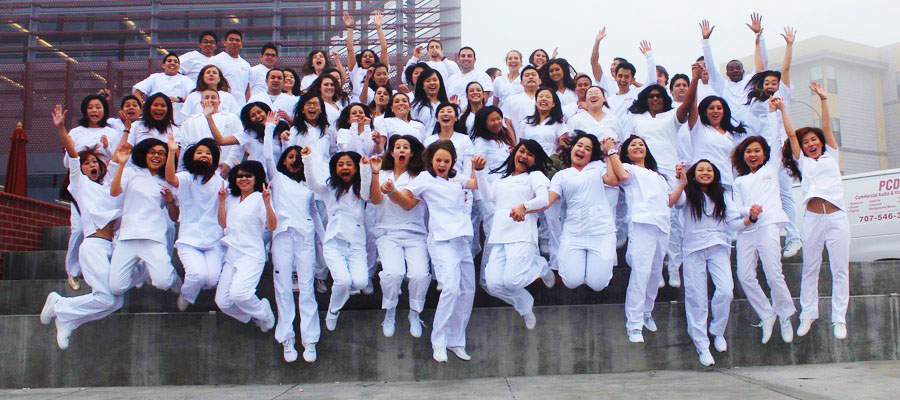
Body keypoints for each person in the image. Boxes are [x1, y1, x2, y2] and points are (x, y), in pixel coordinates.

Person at [382, 140, 488, 363]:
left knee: (467, 292)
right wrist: (392, 190)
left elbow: (476, 184)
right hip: (441, 242)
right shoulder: (424, 179)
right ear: (431, 160)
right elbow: (406, 201)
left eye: (446, 161)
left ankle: (456, 340)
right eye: (438, 160)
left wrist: (478, 169)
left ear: (452, 163)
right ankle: (438, 341)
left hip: (462, 241)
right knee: (450, 289)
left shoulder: (457, 178)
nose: (442, 164)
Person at [42, 105, 124, 350]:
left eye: (95, 162)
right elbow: (73, 154)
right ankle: (59, 305)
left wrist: (127, 131)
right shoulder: (79, 185)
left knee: (115, 302)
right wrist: (61, 129)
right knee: (106, 297)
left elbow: (119, 160)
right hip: (93, 246)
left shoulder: (108, 187)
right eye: (87, 163)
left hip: (112, 246)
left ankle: (68, 319)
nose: (91, 165)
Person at [780, 83, 850, 340]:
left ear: (821, 143)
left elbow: (827, 125)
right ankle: (808, 315)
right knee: (811, 267)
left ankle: (838, 319)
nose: (810, 144)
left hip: (836, 218)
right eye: (806, 142)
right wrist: (782, 109)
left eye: (814, 140)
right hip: (812, 218)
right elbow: (790, 134)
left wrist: (823, 98)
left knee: (840, 269)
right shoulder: (803, 161)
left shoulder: (831, 154)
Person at [669, 159, 744, 366]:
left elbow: (735, 222)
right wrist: (681, 181)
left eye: (709, 170)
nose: (705, 172)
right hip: (693, 249)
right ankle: (702, 345)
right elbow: (676, 202)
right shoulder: (688, 194)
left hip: (719, 247)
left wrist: (751, 219)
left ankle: (717, 331)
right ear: (694, 174)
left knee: (726, 290)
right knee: (696, 297)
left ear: (715, 174)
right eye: (700, 170)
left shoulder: (723, 196)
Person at [261, 112, 320, 363]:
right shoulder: (278, 179)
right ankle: (287, 338)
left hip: (305, 238)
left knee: (306, 288)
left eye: (298, 158)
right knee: (283, 288)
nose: (293, 161)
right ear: (284, 161)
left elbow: (315, 216)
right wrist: (269, 128)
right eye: (290, 157)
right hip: (282, 237)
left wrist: (324, 241)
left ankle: (310, 340)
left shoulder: (309, 185)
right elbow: (266, 156)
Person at [732, 118, 795, 345]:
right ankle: (767, 315)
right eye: (748, 151)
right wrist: (749, 211)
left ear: (765, 154)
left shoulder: (771, 169)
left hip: (769, 226)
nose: (752, 155)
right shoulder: (739, 181)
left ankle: (785, 315)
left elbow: (776, 139)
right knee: (744, 275)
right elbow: (735, 208)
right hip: (748, 229)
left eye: (757, 151)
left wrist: (774, 114)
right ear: (743, 155)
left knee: (773, 273)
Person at [480, 139, 554, 329]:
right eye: (522, 151)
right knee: (494, 285)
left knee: (513, 280)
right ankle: (525, 306)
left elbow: (544, 199)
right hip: (500, 235)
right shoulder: (501, 179)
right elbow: (487, 196)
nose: (524, 156)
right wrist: (479, 171)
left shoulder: (535, 176)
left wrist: (525, 205)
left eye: (530, 154)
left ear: (534, 160)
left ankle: (541, 266)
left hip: (522, 234)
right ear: (514, 154)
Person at [743, 25, 801, 259]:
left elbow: (785, 69)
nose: (770, 85)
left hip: (781, 152)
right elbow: (759, 68)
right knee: (759, 194)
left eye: (773, 83)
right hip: (760, 156)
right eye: (766, 82)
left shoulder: (782, 96)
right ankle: (763, 236)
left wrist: (789, 45)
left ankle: (794, 237)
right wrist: (757, 41)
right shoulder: (756, 103)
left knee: (784, 194)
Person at [614, 135, 678, 344]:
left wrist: (683, 181)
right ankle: (633, 324)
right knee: (640, 273)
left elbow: (669, 201)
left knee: (655, 272)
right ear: (626, 152)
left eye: (641, 144)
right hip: (642, 224)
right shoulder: (629, 169)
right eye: (633, 145)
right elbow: (621, 176)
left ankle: (646, 312)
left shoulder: (658, 175)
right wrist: (610, 151)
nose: (638, 147)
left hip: (662, 225)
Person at [302, 147, 373, 332]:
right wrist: (307, 158)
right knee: (342, 281)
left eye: (349, 164)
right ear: (335, 169)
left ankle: (342, 295)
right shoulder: (329, 190)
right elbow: (312, 183)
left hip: (356, 244)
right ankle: (333, 310)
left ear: (355, 168)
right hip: (334, 244)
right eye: (340, 164)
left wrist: (366, 169)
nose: (345, 167)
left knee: (360, 283)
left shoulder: (360, 192)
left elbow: (366, 191)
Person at [368, 135, 430, 338]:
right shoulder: (382, 172)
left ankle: (415, 312)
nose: (401, 150)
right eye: (397, 147)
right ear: (392, 152)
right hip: (387, 233)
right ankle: (390, 311)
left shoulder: (420, 177)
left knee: (420, 275)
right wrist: (376, 174)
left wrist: (393, 190)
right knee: (393, 274)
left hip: (415, 233)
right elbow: (376, 200)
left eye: (406, 147)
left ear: (412, 153)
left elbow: (408, 204)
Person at [544, 133, 621, 292]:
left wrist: (609, 154)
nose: (582, 150)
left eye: (588, 149)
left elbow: (613, 181)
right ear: (572, 148)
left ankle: (595, 268)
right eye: (579, 145)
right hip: (574, 233)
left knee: (598, 285)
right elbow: (549, 199)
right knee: (571, 281)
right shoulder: (561, 175)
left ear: (591, 155)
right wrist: (526, 206)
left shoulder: (598, 167)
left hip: (601, 232)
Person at [108, 137, 182, 298]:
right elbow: (114, 192)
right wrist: (121, 164)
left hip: (153, 237)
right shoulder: (131, 172)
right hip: (128, 236)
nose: (157, 156)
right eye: (152, 152)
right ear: (144, 154)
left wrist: (170, 201)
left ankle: (173, 276)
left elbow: (174, 216)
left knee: (163, 283)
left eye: (161, 153)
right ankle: (144, 268)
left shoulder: (167, 181)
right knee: (116, 287)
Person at [62, 95, 121, 291]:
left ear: (104, 110)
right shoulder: (76, 132)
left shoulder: (111, 132)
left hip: (103, 186)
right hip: (83, 187)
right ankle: (73, 271)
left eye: (99, 106)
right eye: (91, 107)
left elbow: (119, 158)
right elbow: (67, 160)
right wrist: (82, 158)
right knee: (78, 230)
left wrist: (106, 148)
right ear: (85, 110)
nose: (95, 110)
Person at [215, 161, 278, 332]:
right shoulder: (231, 199)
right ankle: (255, 315)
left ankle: (264, 314)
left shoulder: (259, 198)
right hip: (232, 253)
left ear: (255, 178)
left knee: (239, 294)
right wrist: (221, 201)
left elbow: (272, 226)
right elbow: (223, 223)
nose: (243, 179)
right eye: (240, 175)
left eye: (248, 176)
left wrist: (267, 202)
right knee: (223, 302)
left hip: (251, 254)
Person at [164, 134, 224, 312]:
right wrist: (171, 152)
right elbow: (170, 178)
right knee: (196, 275)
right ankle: (186, 296)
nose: (204, 155)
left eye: (208, 153)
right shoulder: (187, 177)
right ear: (192, 157)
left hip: (214, 240)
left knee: (212, 280)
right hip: (189, 239)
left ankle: (191, 291)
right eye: (199, 152)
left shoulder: (221, 182)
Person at [177, 89, 242, 175]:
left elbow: (239, 142)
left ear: (219, 102)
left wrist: (229, 162)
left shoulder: (231, 118)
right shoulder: (190, 121)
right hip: (196, 169)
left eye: (213, 97)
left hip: (223, 168)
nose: (210, 100)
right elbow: (185, 146)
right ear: (201, 103)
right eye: (206, 98)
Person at [132, 53, 194, 124]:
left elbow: (193, 99)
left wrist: (179, 100)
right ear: (163, 65)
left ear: (179, 66)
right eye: (169, 61)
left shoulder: (186, 80)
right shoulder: (155, 77)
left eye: (175, 62)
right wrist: (144, 105)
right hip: (155, 121)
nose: (172, 63)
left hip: (178, 122)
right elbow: (137, 92)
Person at [344, 11, 390, 101]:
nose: (368, 58)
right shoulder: (356, 71)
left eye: (370, 56)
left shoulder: (380, 70)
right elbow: (350, 50)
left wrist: (378, 27)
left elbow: (384, 49)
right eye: (365, 56)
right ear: (360, 61)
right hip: (359, 108)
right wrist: (350, 27)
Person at [517, 87, 569, 160]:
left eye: (548, 97)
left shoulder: (559, 123)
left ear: (553, 104)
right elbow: (521, 145)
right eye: (540, 96)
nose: (543, 99)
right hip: (529, 162)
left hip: (550, 164)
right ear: (536, 102)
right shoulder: (526, 122)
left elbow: (564, 146)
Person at [210, 30, 252, 108]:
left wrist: (248, 106)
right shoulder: (215, 60)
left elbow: (247, 89)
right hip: (222, 105)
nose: (234, 42)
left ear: (241, 45)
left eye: (237, 40)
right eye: (231, 40)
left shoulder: (246, 65)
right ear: (225, 43)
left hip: (241, 106)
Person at [410, 68, 451, 134]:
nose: (432, 83)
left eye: (435, 80)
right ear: (422, 85)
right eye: (428, 81)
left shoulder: (447, 105)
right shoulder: (415, 106)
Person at [501, 65, 541, 129]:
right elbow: (507, 123)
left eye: (533, 75)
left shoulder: (548, 98)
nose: (531, 77)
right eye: (527, 75)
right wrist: (513, 139)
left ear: (540, 81)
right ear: (521, 82)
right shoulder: (510, 100)